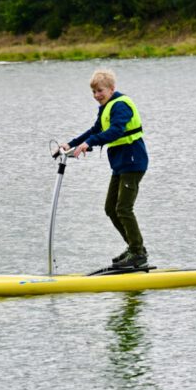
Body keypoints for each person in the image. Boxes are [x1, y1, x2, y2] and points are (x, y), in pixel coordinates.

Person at [63, 69, 149, 269]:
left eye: (100, 91)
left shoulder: (121, 106)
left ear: (112, 89)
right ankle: (134, 248)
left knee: (123, 208)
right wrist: (72, 144)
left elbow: (115, 131)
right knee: (111, 208)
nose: (96, 96)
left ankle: (138, 253)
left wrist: (91, 142)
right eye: (93, 92)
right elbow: (96, 130)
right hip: (120, 164)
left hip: (133, 162)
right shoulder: (106, 107)